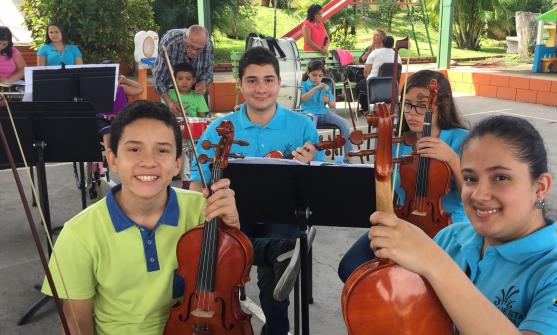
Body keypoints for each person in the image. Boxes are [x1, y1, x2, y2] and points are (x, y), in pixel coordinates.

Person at [364, 115, 557, 334]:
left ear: (540, 187)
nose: (479, 194)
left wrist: (436, 264)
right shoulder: (451, 238)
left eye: (501, 178)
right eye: (470, 178)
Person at [41, 101, 241, 334]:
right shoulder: (78, 234)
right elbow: (77, 324)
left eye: (163, 150)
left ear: (178, 163)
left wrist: (232, 228)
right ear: (113, 159)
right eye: (134, 149)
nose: (148, 162)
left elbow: (230, 277)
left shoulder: (203, 209)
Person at [189, 47, 324, 335]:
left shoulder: (302, 127)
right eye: (252, 80)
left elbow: (321, 183)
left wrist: (312, 164)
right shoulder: (218, 129)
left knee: (272, 292)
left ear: (279, 83)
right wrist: (200, 210)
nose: (260, 88)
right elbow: (196, 182)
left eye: (268, 80)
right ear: (240, 84)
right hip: (234, 214)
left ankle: (275, 324)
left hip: (284, 215)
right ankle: (275, 254)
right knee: (221, 258)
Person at [338, 70, 468, 282]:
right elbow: (389, 194)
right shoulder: (398, 142)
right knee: (351, 268)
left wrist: (453, 160)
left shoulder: (461, 140)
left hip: (446, 226)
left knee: (418, 280)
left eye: (422, 104)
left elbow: (474, 196)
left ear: (440, 105)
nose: (412, 112)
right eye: (407, 104)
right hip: (403, 221)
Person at [153, 25, 214, 116]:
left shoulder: (207, 45)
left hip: (194, 90)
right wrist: (170, 103)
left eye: (198, 49)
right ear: (185, 38)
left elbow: (208, 71)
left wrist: (204, 82)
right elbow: (159, 79)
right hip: (171, 88)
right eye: (190, 46)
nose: (193, 52)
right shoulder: (170, 42)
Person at [299, 60, 353, 155]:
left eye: (320, 76)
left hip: (324, 113)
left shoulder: (325, 87)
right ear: (308, 73)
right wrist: (316, 88)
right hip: (309, 113)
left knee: (345, 124)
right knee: (311, 129)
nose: (317, 78)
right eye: (314, 75)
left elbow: (333, 106)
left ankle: (348, 155)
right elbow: (302, 99)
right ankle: (311, 156)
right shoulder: (303, 85)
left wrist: (328, 100)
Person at [356, 35, 400, 112]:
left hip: (374, 84)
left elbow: (366, 71)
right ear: (393, 44)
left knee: (359, 86)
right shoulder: (397, 55)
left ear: (382, 43)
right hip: (391, 85)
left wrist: (367, 78)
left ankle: (365, 109)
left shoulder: (375, 52)